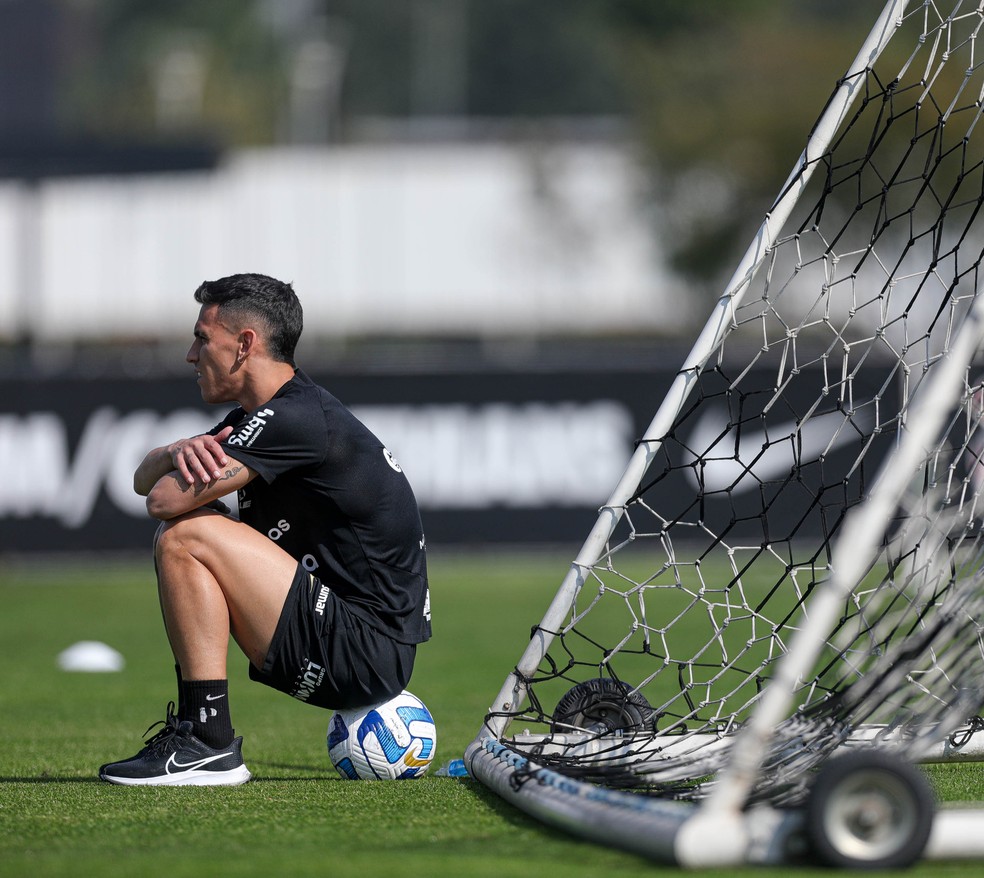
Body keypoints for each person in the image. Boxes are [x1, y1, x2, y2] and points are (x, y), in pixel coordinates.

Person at [99, 273, 431, 786]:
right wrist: (174, 450)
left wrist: (176, 465)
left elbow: (163, 500)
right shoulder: (266, 415)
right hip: (347, 636)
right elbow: (145, 480)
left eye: (202, 338)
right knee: (190, 528)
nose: (191, 354)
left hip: (364, 650)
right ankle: (202, 737)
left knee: (187, 534)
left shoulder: (294, 419)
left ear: (244, 345)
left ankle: (207, 742)